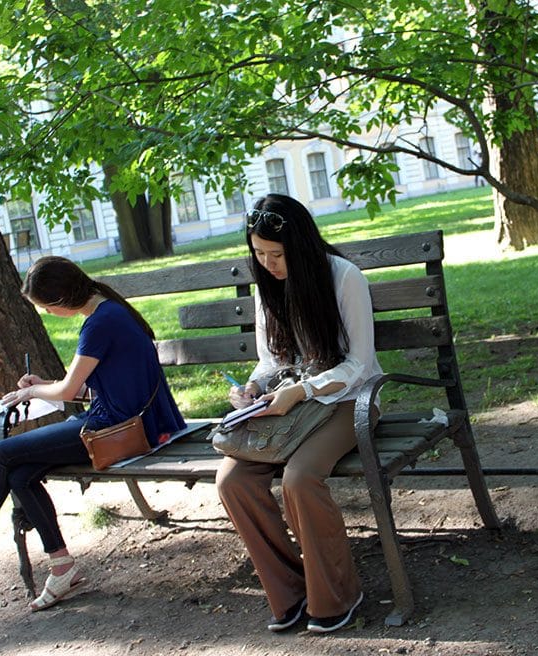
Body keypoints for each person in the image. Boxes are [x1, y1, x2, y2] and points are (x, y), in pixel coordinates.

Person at [0, 256, 185, 612]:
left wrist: (32, 392)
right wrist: (47, 384)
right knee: (20, 474)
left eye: (46, 307)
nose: (48, 313)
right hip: (129, 420)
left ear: (63, 299)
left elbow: (67, 394)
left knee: (4, 453)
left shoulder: (99, 324)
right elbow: (93, 387)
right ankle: (62, 565)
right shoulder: (109, 311)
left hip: (117, 429)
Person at [216, 193, 383, 634]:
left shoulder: (343, 277)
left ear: (302, 247)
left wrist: (302, 390)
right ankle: (291, 591)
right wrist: (254, 388)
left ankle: (338, 595)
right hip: (291, 406)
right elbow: (272, 360)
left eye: (276, 254)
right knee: (231, 481)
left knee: (300, 478)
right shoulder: (267, 287)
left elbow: (360, 364)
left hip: (350, 399)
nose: (268, 264)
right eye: (258, 254)